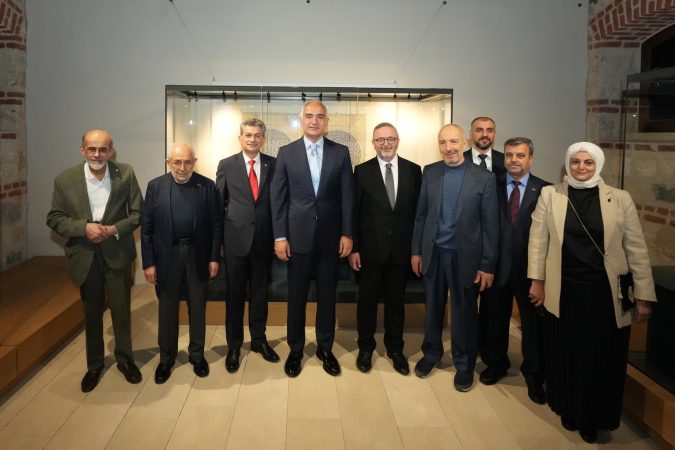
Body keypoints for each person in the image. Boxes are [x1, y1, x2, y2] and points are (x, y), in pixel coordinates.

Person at [528, 142, 656, 443]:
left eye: (588, 162)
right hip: (565, 292)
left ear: (598, 165)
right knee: (567, 354)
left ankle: (594, 418)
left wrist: (644, 295)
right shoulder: (551, 195)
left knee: (601, 359)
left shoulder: (620, 198)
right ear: (567, 164)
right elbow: (538, 241)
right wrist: (537, 281)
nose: (581, 167)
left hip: (606, 296)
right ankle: (568, 409)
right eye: (575, 162)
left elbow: (636, 248)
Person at [47, 129, 143, 393]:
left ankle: (125, 360)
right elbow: (54, 218)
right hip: (84, 254)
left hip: (117, 252)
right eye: (92, 149)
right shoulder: (65, 180)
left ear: (111, 151)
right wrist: (84, 228)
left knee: (121, 310)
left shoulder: (126, 173)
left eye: (103, 149)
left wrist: (113, 229)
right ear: (83, 150)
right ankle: (95, 365)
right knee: (91, 313)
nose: (97, 154)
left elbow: (138, 213)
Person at [411, 124, 498, 392]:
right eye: (443, 142)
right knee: (433, 308)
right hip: (434, 253)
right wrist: (416, 250)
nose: (448, 148)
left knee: (464, 313)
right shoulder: (430, 171)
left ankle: (464, 363)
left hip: (465, 257)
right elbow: (421, 215)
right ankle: (431, 353)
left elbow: (490, 226)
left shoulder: (483, 177)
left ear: (464, 143)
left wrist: (487, 264)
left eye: (453, 142)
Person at [270, 100, 355, 377]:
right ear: (302, 120)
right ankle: (295, 349)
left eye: (320, 116)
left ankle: (325, 348)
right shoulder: (286, 153)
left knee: (327, 296)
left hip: (331, 238)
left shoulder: (340, 153)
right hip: (297, 238)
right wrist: (280, 236)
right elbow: (278, 198)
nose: (314, 121)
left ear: (327, 122)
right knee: (296, 296)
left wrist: (347, 233)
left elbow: (347, 196)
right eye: (309, 116)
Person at [477, 137, 551, 404]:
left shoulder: (546, 190)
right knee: (494, 320)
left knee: (533, 327)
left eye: (520, 155)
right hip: (495, 268)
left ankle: (534, 376)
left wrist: (541, 277)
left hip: (529, 272)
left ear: (531, 158)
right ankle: (496, 364)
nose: (514, 160)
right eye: (509, 155)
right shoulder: (491, 185)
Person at [141, 143, 222, 384]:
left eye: (187, 162)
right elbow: (146, 229)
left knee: (197, 307)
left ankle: (197, 355)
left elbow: (216, 226)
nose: (182, 168)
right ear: (169, 163)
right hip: (167, 256)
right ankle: (166, 359)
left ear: (194, 162)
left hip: (198, 254)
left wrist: (214, 257)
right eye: (177, 162)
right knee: (167, 309)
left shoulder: (207, 186)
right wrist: (149, 263)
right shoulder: (155, 186)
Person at [348, 123, 421, 375]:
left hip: (401, 252)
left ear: (398, 141)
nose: (385, 144)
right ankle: (365, 348)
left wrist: (416, 250)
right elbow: (355, 212)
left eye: (390, 139)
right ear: (373, 143)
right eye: (380, 140)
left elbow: (418, 214)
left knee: (396, 303)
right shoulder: (361, 171)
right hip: (369, 252)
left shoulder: (414, 170)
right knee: (366, 304)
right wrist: (355, 248)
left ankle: (395, 349)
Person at [216, 119, 279, 373]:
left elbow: (279, 202)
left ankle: (259, 340)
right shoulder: (227, 165)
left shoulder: (274, 164)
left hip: (264, 240)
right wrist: (219, 243)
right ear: (240, 138)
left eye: (257, 135)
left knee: (260, 295)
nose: (253, 139)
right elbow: (218, 205)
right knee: (234, 296)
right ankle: (234, 345)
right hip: (235, 241)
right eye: (248, 135)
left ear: (264, 139)